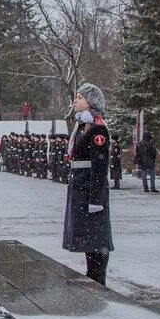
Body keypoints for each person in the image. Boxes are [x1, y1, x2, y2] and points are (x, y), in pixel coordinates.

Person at [62, 83, 113, 286]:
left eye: (80, 98)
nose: (75, 101)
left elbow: (100, 166)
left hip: (89, 188)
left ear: (91, 103)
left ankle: (98, 276)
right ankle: (91, 273)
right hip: (80, 182)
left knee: (97, 236)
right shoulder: (82, 125)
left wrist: (96, 198)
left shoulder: (97, 128)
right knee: (87, 235)